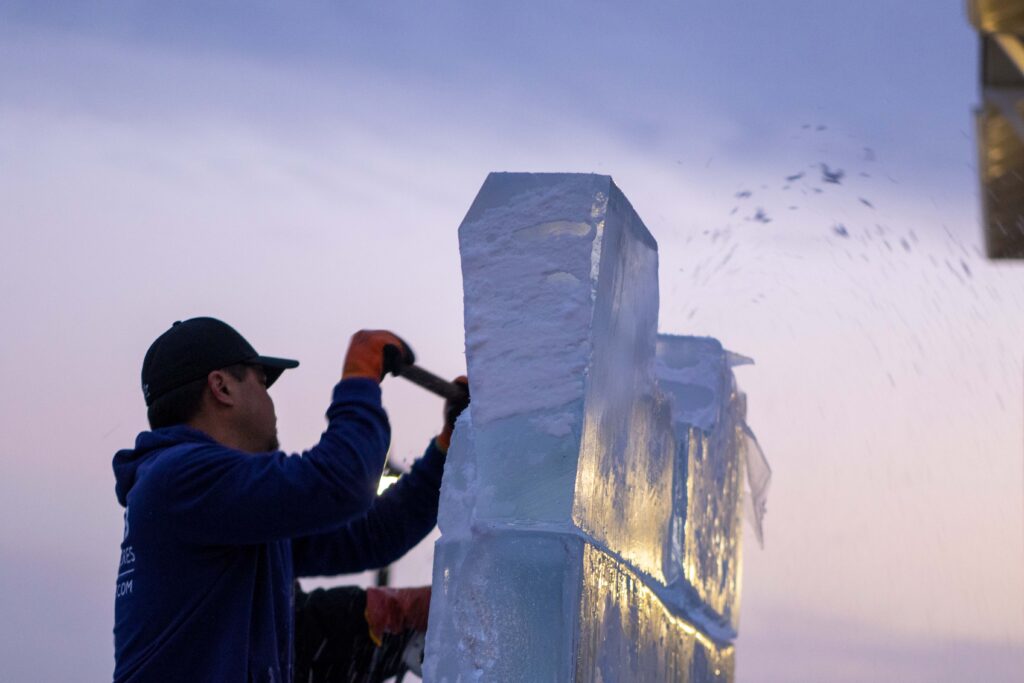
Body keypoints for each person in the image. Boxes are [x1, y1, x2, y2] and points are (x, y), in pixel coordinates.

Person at [112, 317, 466, 682]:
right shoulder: (180, 479)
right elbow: (342, 480)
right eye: (263, 383)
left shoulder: (223, 509)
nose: (270, 402)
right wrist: (360, 377)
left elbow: (373, 534)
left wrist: (447, 449)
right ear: (221, 387)